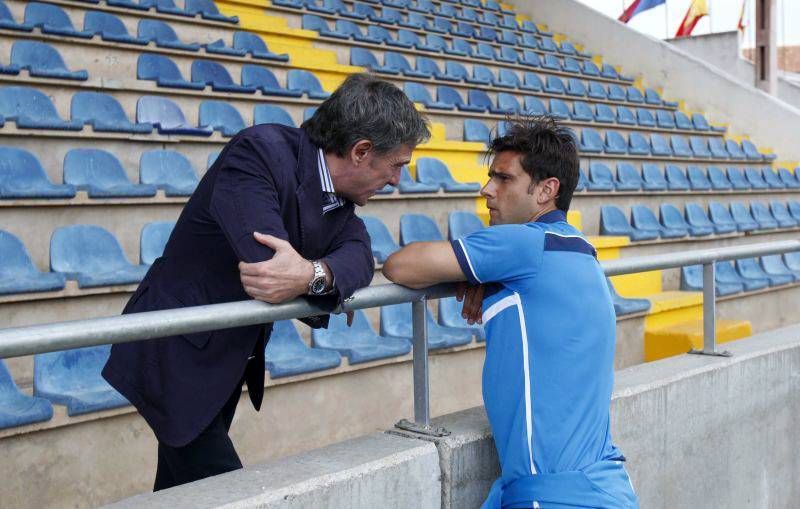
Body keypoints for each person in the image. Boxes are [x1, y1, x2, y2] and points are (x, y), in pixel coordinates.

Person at [102, 73, 430, 491]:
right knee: (227, 493)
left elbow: (360, 257)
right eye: (397, 165)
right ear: (361, 151)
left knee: (181, 492)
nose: (397, 180)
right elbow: (267, 269)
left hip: (222, 359)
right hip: (174, 353)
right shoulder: (259, 152)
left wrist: (313, 273)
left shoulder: (340, 199)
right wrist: (321, 272)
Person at [382, 116, 638, 508]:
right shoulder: (579, 248)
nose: (487, 190)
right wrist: (484, 279)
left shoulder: (521, 245)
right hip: (605, 486)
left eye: (503, 179)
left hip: (553, 497)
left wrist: (480, 274)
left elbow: (401, 266)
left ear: (546, 191)